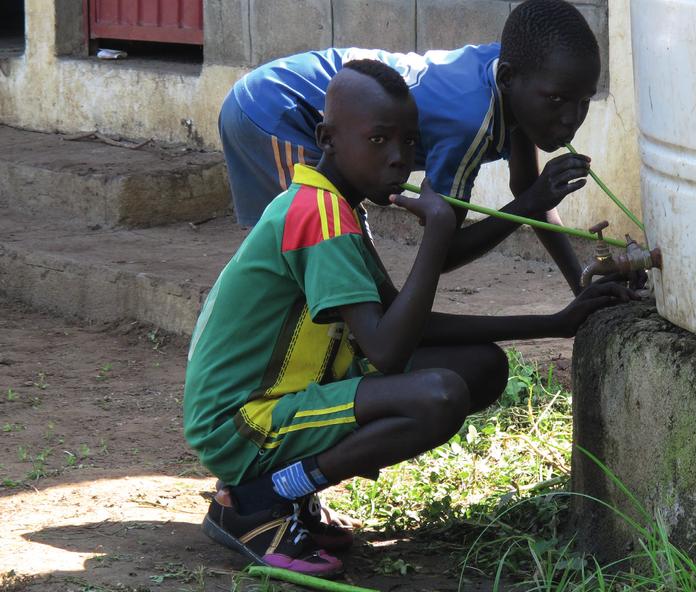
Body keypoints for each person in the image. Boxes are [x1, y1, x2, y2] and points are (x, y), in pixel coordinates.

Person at [185, 60, 634, 575]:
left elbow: (402, 322)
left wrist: (552, 322)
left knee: (480, 368)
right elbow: (387, 348)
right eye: (379, 141)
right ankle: (262, 500)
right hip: (241, 423)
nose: (400, 159)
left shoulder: (337, 205)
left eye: (409, 142)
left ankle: (288, 491)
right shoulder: (318, 214)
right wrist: (437, 236)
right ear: (326, 139)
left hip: (288, 395)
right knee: (436, 397)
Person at [219, 0, 601, 295]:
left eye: (584, 101)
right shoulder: (470, 121)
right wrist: (528, 204)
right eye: (556, 100)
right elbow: (444, 251)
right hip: (276, 109)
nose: (572, 118)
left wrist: (581, 283)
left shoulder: (511, 77)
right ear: (508, 79)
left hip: (280, 104)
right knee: (319, 252)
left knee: (351, 271)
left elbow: (525, 187)